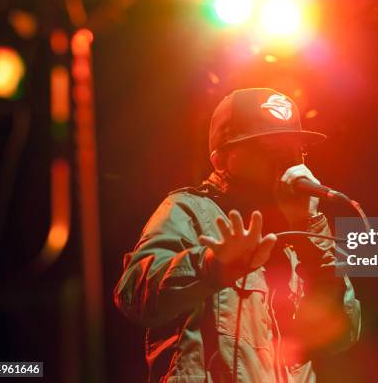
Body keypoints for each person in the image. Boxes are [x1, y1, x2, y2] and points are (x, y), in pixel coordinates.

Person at [114, 88, 361, 382]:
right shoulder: (189, 210)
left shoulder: (301, 230)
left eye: (296, 149)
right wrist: (210, 265)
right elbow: (132, 295)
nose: (289, 162)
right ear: (221, 159)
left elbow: (343, 331)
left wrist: (312, 229)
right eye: (271, 147)